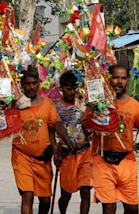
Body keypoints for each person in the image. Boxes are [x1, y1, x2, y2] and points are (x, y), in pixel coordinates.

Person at [87, 65, 139, 214]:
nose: (119, 82)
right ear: (108, 79)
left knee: (132, 208)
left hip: (126, 162)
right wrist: (93, 111)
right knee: (109, 207)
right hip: (102, 160)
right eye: (116, 77)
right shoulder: (99, 103)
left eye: (123, 78)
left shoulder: (135, 105)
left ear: (127, 81)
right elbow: (86, 129)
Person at [12, 66, 75, 214]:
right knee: (27, 195)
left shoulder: (47, 104)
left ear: (39, 84)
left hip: (43, 159)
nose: (31, 87)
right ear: (22, 84)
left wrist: (67, 140)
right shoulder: (16, 105)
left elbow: (57, 124)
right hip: (22, 157)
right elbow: (4, 125)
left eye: (34, 83)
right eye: (27, 84)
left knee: (45, 200)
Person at [50, 71, 93, 214]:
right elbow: (51, 130)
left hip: (85, 151)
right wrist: (55, 150)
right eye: (68, 89)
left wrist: (89, 117)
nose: (71, 92)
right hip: (67, 154)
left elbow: (88, 130)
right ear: (61, 88)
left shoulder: (82, 104)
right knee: (66, 195)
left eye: (73, 88)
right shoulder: (55, 107)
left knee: (86, 190)